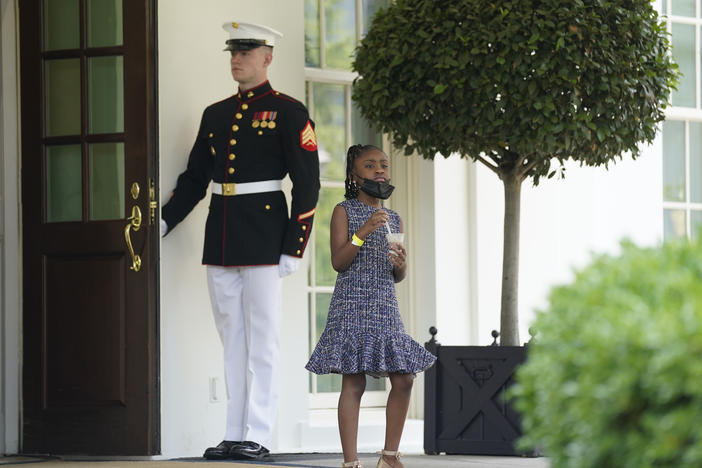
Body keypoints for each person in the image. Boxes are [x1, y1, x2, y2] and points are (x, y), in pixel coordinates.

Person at [161, 21, 320, 461]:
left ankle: (261, 433)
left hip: (267, 236)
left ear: (267, 58)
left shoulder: (288, 111)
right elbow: (195, 179)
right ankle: (234, 431)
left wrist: (294, 244)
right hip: (224, 235)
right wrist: (163, 223)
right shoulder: (215, 114)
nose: (237, 59)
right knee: (231, 338)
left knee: (263, 339)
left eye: (246, 52)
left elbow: (307, 185)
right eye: (233, 52)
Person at [305, 145, 436, 468]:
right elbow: (338, 262)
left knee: (404, 378)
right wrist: (362, 232)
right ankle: (351, 462)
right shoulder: (344, 211)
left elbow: (397, 275)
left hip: (384, 304)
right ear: (354, 175)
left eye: (383, 165)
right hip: (352, 304)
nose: (379, 171)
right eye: (370, 165)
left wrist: (401, 264)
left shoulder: (394, 217)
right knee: (355, 381)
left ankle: (389, 456)